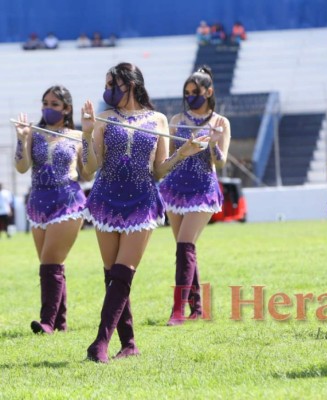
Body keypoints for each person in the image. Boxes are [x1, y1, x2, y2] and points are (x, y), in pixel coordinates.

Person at [81, 62, 204, 363]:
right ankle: (129, 343)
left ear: (131, 84)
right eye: (106, 84)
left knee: (124, 271)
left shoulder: (158, 119)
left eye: (113, 84)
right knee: (112, 276)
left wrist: (182, 153)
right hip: (106, 198)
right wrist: (86, 135)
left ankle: (99, 342)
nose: (107, 90)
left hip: (142, 200)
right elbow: (89, 168)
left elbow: (159, 169)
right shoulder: (104, 119)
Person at [13, 85, 92, 334]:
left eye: (55, 104)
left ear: (67, 108)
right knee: (53, 265)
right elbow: (22, 167)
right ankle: (60, 322)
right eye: (45, 103)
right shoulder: (34, 134)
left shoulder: (76, 136)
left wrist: (89, 137)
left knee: (49, 263)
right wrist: (22, 139)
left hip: (67, 201)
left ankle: (47, 321)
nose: (48, 108)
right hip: (38, 202)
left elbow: (88, 171)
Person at [159, 66, 231, 326]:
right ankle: (196, 306)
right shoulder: (176, 120)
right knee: (184, 249)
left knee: (185, 245)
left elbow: (220, 162)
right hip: (175, 187)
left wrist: (213, 142)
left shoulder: (220, 122)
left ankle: (178, 310)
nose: (190, 96)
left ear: (209, 92)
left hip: (203, 188)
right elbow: (169, 157)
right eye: (187, 92)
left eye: (196, 92)